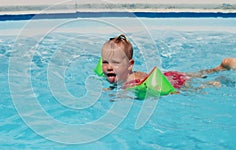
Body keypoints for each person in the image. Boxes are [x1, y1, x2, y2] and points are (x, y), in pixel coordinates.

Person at [100, 34, 236, 90]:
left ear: (130, 65)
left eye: (115, 63)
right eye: (105, 62)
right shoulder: (125, 76)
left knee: (195, 88)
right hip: (168, 75)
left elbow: (126, 94)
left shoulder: (132, 82)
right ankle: (220, 67)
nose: (109, 67)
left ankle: (210, 83)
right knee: (197, 73)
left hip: (172, 82)